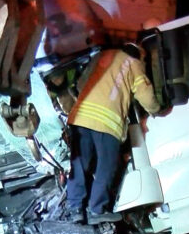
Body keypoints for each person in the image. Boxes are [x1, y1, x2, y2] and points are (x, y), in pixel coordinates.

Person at [62, 45, 161, 224]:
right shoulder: (134, 63)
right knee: (106, 168)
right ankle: (97, 209)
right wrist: (157, 109)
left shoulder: (102, 56)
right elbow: (145, 95)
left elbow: (81, 83)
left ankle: (75, 208)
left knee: (80, 165)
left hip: (81, 117)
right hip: (107, 123)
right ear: (138, 53)